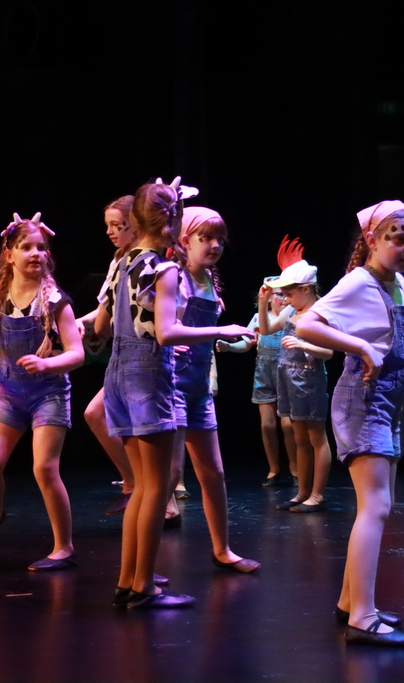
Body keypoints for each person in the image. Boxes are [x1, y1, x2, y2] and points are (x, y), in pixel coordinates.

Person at [94, 178, 251, 609]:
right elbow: (165, 333)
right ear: (172, 221)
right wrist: (223, 329)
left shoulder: (124, 262)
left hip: (118, 373)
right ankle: (143, 586)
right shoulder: (162, 269)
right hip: (148, 376)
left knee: (143, 487)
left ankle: (129, 580)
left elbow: (101, 326)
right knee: (154, 488)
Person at [296, 200, 404, 647]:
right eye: (398, 239)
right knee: (376, 506)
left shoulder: (397, 282)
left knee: (380, 504)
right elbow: (306, 324)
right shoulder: (359, 282)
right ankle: (362, 618)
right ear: (372, 239)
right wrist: (360, 347)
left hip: (388, 400)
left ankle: (351, 601)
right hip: (363, 399)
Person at [0, 213, 85, 570]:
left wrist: (47, 364)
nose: (35, 253)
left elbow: (77, 353)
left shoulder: (55, 301)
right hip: (9, 395)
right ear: (9, 255)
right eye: (26, 247)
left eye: (41, 248)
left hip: (48, 395)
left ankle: (64, 547)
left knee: (44, 469)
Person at [168, 206, 260, 573]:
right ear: (184, 240)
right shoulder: (174, 278)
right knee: (168, 478)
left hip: (198, 387)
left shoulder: (207, 279)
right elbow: (164, 327)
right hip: (173, 384)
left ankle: (222, 550)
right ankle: (143, 568)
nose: (215, 245)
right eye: (205, 238)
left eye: (219, 239)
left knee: (213, 473)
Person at [256, 238, 333, 512]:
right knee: (299, 438)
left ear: (305, 289)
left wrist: (303, 344)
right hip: (287, 378)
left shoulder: (319, 312)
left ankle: (317, 495)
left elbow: (329, 352)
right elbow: (266, 329)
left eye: (289, 294)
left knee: (316, 438)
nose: (285, 300)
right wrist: (262, 303)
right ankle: (302, 492)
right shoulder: (291, 310)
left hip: (308, 379)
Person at [74, 196, 138, 515]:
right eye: (108, 226)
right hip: (121, 354)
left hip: (141, 354)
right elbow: (104, 310)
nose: (110, 232)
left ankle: (151, 493)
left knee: (143, 427)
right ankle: (133, 483)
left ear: (134, 224)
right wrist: (77, 322)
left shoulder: (146, 262)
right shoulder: (118, 260)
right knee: (95, 414)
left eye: (117, 225)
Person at [217, 287, 298, 487]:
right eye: (279, 295)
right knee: (267, 425)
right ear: (268, 298)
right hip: (264, 373)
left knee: (288, 425)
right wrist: (229, 347)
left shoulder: (293, 316)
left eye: (286, 294)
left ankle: (295, 469)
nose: (283, 299)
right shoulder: (258, 318)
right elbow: (247, 343)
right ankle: (273, 469)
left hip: (287, 372)